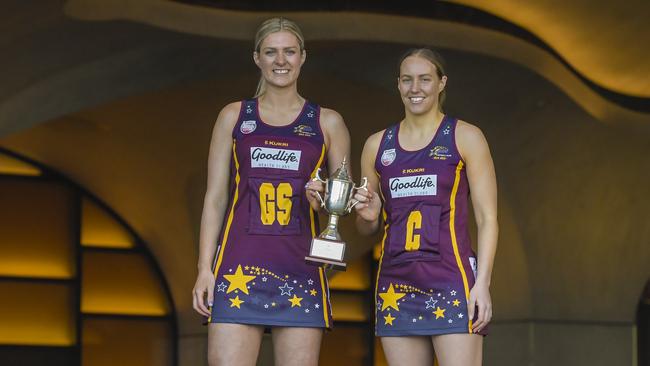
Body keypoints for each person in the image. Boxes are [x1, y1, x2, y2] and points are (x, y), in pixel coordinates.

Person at [191, 17, 350, 366]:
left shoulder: (327, 122)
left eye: (289, 52)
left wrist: (323, 198)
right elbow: (215, 198)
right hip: (238, 268)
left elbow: (342, 202)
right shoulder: (234, 116)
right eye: (271, 52)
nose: (281, 60)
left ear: (303, 57)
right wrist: (205, 268)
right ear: (257, 58)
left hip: (300, 269)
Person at [353, 48, 498, 366]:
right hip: (396, 283)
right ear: (398, 85)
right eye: (407, 80)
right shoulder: (377, 145)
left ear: (441, 83)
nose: (415, 88)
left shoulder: (465, 137)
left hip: (451, 279)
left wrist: (482, 284)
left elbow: (487, 218)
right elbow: (367, 227)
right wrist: (368, 215)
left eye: (424, 79)